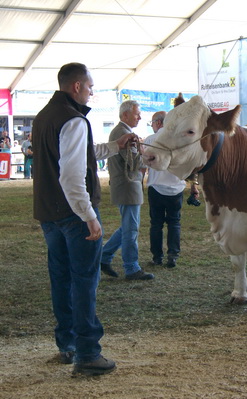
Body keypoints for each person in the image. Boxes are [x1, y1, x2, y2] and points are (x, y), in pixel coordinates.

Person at [32, 62, 138, 376]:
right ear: (77, 86)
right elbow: (72, 176)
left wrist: (114, 147)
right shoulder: (75, 120)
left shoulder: (44, 117)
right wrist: (89, 216)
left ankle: (67, 345)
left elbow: (75, 154)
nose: (92, 92)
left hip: (49, 214)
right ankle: (88, 353)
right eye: (90, 87)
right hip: (73, 216)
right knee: (84, 282)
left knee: (61, 279)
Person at [100, 101, 154, 280]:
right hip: (128, 186)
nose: (139, 117)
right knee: (131, 229)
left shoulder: (120, 132)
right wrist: (145, 152)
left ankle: (104, 256)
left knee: (128, 227)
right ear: (125, 115)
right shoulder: (124, 134)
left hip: (126, 185)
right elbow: (134, 162)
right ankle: (131, 267)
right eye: (136, 114)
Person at [144, 111, 186, 268]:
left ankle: (157, 256)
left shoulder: (150, 139)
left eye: (152, 123)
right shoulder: (179, 140)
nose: (152, 126)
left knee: (156, 223)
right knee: (174, 222)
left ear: (159, 123)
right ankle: (173, 255)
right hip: (176, 187)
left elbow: (144, 165)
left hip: (156, 187)